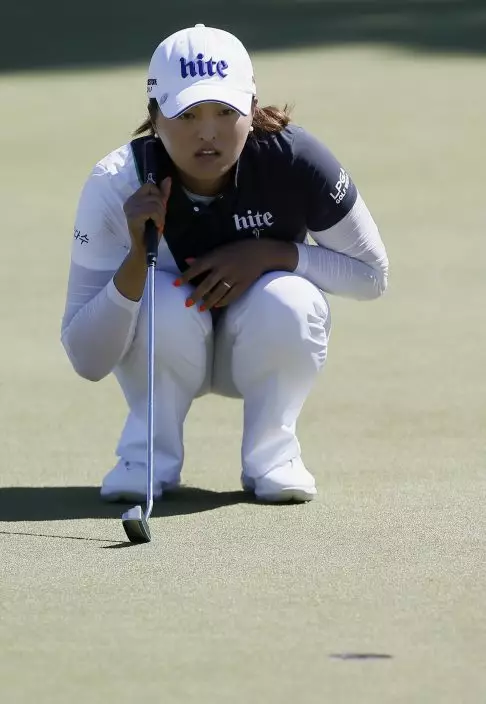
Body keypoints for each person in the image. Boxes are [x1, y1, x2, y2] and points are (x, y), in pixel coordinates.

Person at [61, 24, 389, 504]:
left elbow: (373, 276)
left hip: (255, 346)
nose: (208, 131)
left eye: (225, 111)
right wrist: (135, 255)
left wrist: (273, 254)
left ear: (252, 110)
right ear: (154, 116)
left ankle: (273, 457)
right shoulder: (116, 183)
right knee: (161, 300)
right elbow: (86, 359)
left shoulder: (296, 160)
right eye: (188, 114)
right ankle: (145, 458)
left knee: (291, 299)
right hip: (168, 348)